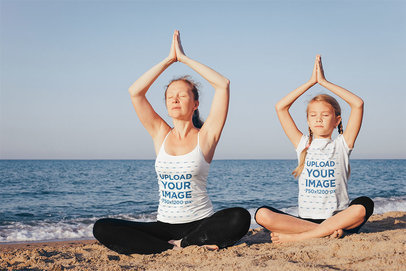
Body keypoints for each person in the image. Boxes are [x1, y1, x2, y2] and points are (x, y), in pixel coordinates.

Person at [93, 30, 251, 254]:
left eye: (183, 95)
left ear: (195, 103)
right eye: (170, 96)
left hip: (200, 223)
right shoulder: (160, 133)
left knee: (240, 217)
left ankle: (185, 243)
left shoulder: (206, 136)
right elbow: (135, 92)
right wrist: (169, 60)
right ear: (166, 105)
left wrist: (184, 58)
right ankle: (175, 247)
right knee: (102, 227)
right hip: (164, 226)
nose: (175, 99)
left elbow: (223, 84)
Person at [255, 55, 374, 243]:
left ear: (337, 120)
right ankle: (324, 231)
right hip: (308, 220)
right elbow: (281, 107)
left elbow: (357, 104)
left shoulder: (342, 144)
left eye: (325, 115)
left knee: (364, 205)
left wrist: (324, 82)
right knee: (261, 214)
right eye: (313, 115)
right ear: (308, 121)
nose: (319, 119)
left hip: (338, 217)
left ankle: (303, 237)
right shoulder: (302, 144)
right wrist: (311, 82)